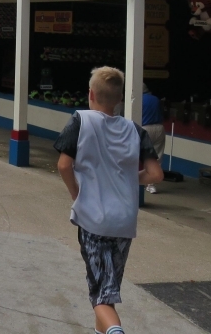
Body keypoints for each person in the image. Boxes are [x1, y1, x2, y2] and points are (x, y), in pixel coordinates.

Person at [54, 66, 163, 334]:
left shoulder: (81, 120)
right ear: (119, 99)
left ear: (91, 93)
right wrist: (127, 179)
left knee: (100, 296)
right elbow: (155, 174)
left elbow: (64, 165)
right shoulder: (135, 130)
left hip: (95, 221)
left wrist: (76, 195)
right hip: (124, 222)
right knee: (108, 289)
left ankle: (116, 332)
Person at [141, 84, 166, 195]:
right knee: (157, 157)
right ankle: (152, 185)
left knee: (143, 157)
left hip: (145, 128)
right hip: (159, 128)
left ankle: (143, 183)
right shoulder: (155, 99)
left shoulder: (138, 99)